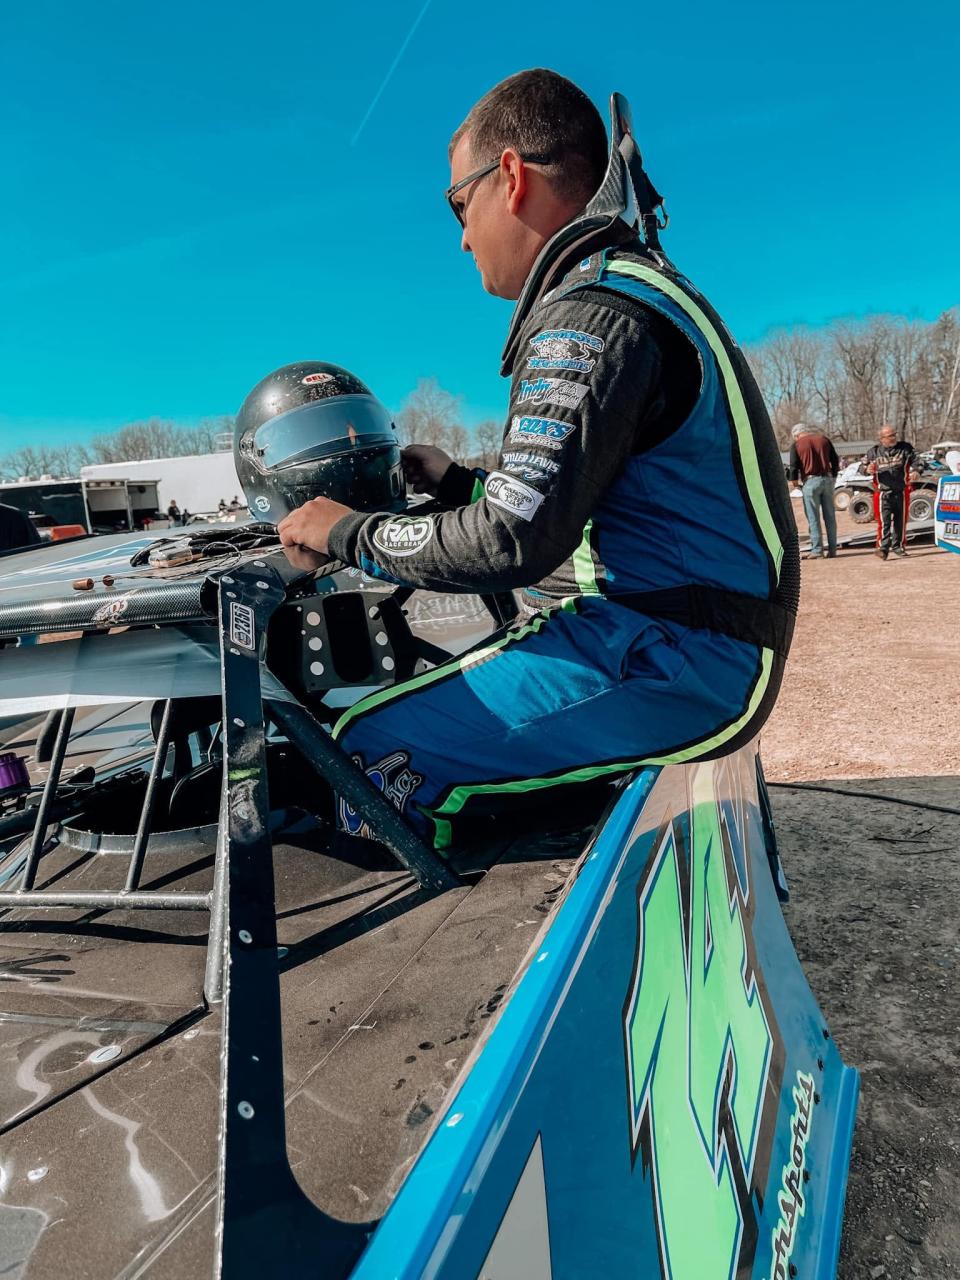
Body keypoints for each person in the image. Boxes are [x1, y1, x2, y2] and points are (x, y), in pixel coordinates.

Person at [274, 68, 799, 850]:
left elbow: (509, 542)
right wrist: (456, 483)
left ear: (511, 176)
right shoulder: (629, 288)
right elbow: (574, 506)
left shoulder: (587, 317)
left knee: (360, 743)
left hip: (677, 658)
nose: (459, 235)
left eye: (458, 204)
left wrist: (347, 531)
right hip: (686, 638)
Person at [862, 425, 920, 559]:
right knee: (884, 522)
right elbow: (862, 466)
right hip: (883, 492)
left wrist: (916, 470)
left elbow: (917, 460)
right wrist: (866, 469)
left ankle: (898, 547)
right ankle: (883, 548)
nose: (894, 438)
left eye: (895, 434)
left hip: (901, 491)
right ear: (882, 438)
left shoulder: (905, 448)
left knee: (901, 521)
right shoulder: (873, 452)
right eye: (890, 436)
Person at [788, 423, 840, 559]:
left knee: (813, 518)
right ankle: (833, 550)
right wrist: (833, 475)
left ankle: (817, 550)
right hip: (827, 479)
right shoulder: (824, 439)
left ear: (796, 435)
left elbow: (794, 466)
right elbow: (835, 459)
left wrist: (794, 481)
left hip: (810, 481)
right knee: (830, 516)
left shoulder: (797, 445)